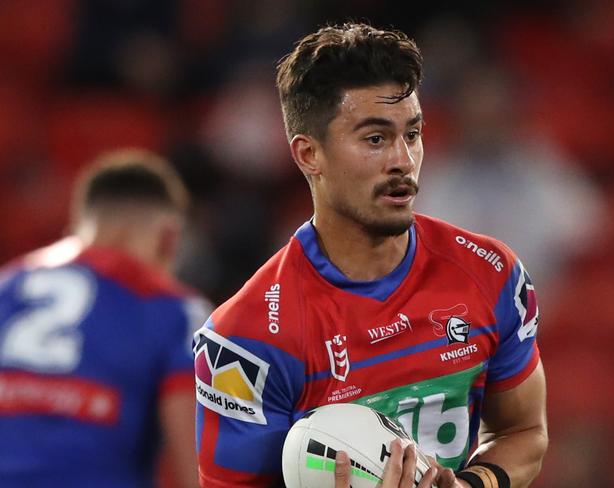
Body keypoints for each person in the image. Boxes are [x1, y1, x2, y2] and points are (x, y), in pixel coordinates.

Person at [194, 23, 547, 488]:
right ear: (308, 155)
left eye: (413, 134)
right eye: (375, 139)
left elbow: (523, 431)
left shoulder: (491, 273)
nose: (403, 159)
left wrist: (471, 484)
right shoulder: (245, 341)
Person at [0, 149, 209, 487]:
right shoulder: (172, 308)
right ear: (169, 240)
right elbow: (199, 470)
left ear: (76, 227)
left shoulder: (6, 286)